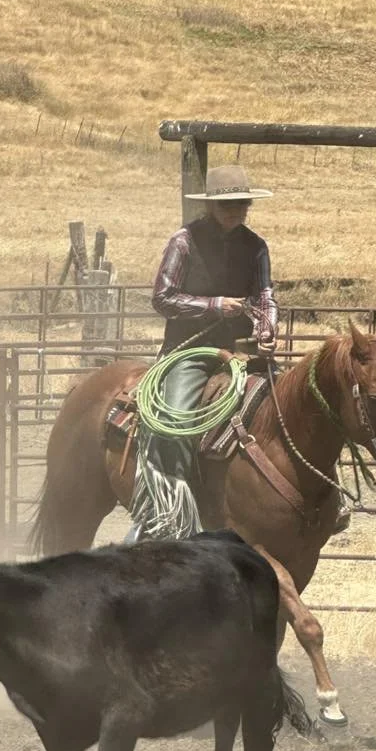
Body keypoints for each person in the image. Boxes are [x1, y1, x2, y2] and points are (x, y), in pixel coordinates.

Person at [128, 165, 278, 542]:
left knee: (295, 404)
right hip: (191, 350)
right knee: (175, 420)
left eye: (241, 203)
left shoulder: (256, 246)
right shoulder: (184, 242)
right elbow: (163, 298)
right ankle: (169, 510)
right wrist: (215, 306)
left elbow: (265, 296)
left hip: (243, 351)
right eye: (228, 204)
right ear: (211, 206)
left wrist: (267, 328)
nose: (236, 210)